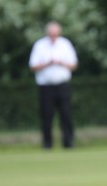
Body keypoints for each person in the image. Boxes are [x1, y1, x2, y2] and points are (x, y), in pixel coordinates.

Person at [29, 21, 78, 149]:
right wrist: (48, 63)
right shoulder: (39, 45)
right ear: (47, 33)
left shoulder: (65, 44)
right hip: (46, 87)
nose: (53, 37)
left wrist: (61, 63)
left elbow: (73, 64)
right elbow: (33, 66)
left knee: (66, 114)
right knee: (46, 115)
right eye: (51, 34)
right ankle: (47, 144)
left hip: (63, 85)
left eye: (55, 34)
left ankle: (68, 142)